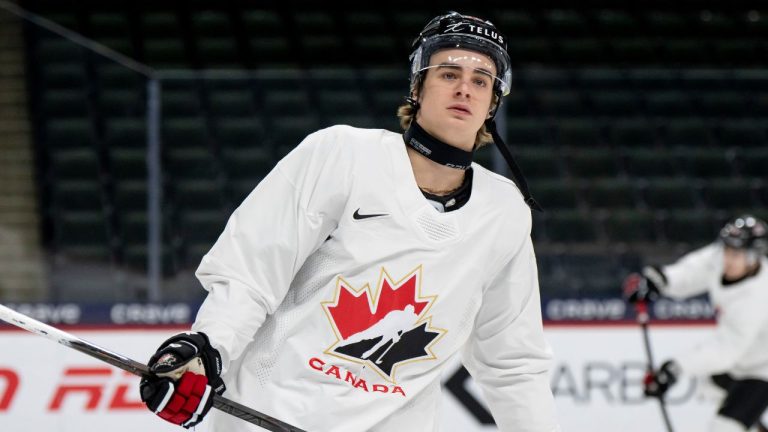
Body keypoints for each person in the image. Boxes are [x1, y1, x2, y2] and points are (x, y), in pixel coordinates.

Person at [139, 11, 559, 432]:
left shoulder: (503, 212)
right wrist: (207, 348)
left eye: (481, 80)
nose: (465, 88)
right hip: (273, 416)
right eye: (449, 73)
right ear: (417, 86)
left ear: (492, 104)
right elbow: (251, 274)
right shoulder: (341, 155)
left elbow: (513, 364)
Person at [623, 214, 768, 432]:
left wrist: (675, 369)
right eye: (726, 250)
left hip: (761, 368)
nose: (727, 259)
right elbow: (693, 271)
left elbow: (725, 349)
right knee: (710, 387)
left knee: (723, 428)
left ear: (753, 257)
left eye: (736, 254)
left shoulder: (758, 296)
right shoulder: (720, 258)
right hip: (736, 364)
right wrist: (659, 280)